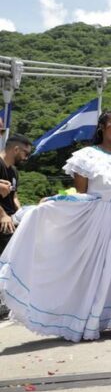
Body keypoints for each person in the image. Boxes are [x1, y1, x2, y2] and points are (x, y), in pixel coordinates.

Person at [0, 112, 111, 341]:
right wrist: (56, 202)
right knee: (98, 269)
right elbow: (82, 193)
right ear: (102, 126)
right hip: (98, 218)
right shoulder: (86, 156)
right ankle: (92, 317)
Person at [0, 134, 32, 320]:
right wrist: (3, 215)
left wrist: (22, 214)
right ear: (16, 149)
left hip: (11, 219)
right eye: (26, 154)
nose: (26, 158)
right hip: (3, 221)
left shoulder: (13, 172)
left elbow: (14, 197)